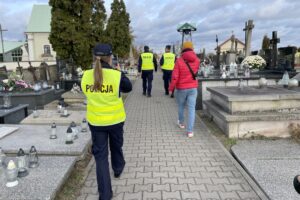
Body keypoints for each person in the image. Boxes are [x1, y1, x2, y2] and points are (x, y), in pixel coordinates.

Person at [81, 44, 132, 200]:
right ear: (110, 57)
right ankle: (117, 168)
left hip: (96, 122)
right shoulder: (116, 75)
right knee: (116, 145)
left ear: (93, 57)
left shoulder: (86, 75)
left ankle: (105, 194)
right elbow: (128, 88)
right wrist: (118, 71)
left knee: (101, 156)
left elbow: (86, 92)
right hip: (115, 120)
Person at [169, 41, 200, 138]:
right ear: (192, 48)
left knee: (181, 106)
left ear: (183, 49)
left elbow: (175, 77)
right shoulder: (197, 60)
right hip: (193, 88)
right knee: (191, 109)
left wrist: (171, 88)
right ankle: (190, 131)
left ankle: (181, 123)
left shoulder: (179, 61)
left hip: (181, 88)